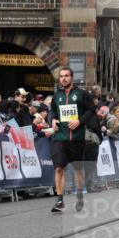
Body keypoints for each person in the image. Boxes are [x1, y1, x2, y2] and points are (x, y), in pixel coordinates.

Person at [49, 66, 94, 214]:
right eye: (61, 76)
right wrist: (53, 120)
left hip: (76, 138)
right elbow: (53, 112)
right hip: (60, 137)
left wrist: (79, 121)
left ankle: (80, 194)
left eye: (66, 76)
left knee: (78, 169)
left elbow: (91, 110)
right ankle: (60, 200)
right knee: (59, 167)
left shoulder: (82, 94)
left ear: (71, 77)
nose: (63, 79)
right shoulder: (57, 96)